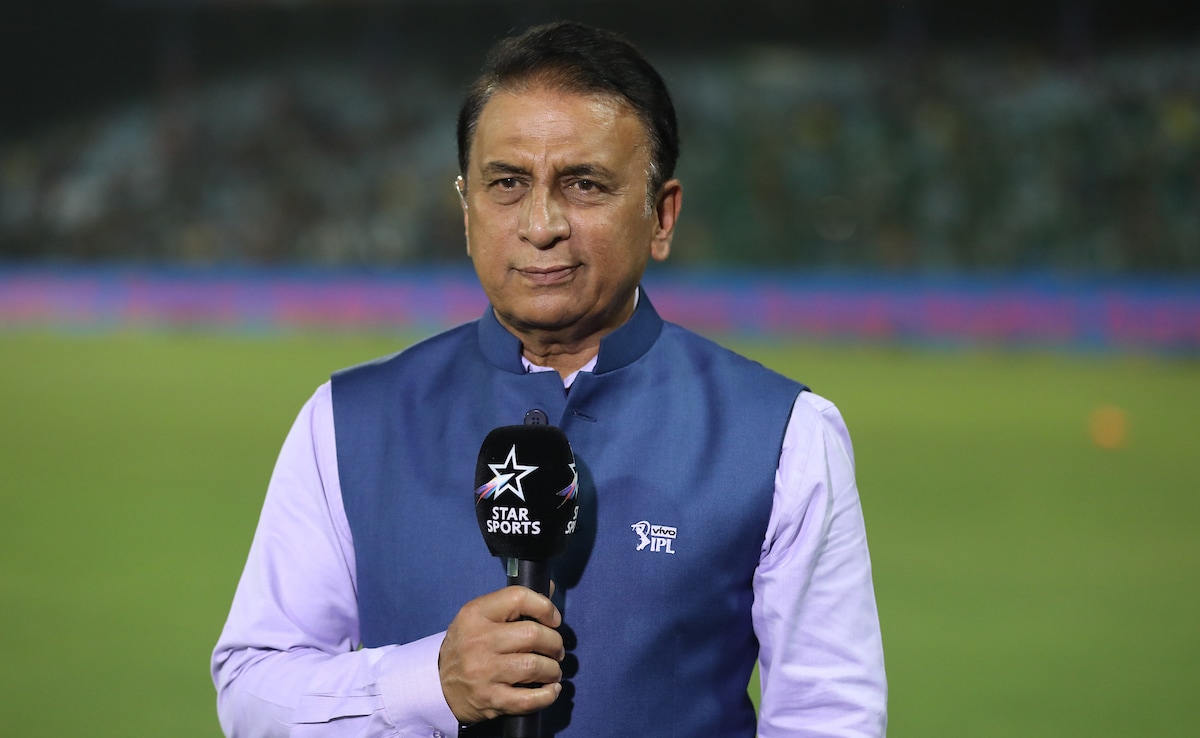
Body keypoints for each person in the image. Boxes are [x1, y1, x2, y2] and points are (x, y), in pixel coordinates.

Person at [212, 20, 886, 738]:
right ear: (467, 207)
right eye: (507, 184)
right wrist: (429, 683)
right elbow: (252, 689)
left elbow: (828, 720)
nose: (541, 225)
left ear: (661, 217)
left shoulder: (783, 437)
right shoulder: (347, 421)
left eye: (584, 185)